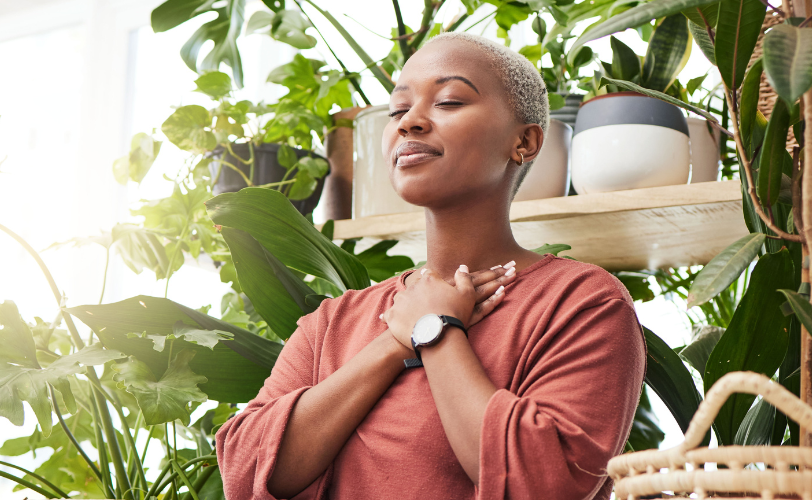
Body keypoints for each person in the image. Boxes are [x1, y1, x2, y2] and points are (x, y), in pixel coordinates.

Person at [215, 31, 646, 500]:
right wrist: (393, 342)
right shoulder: (333, 322)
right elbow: (246, 468)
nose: (410, 122)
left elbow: (546, 483)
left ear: (524, 140)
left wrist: (436, 331)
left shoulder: (581, 303)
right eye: (398, 110)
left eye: (450, 101)